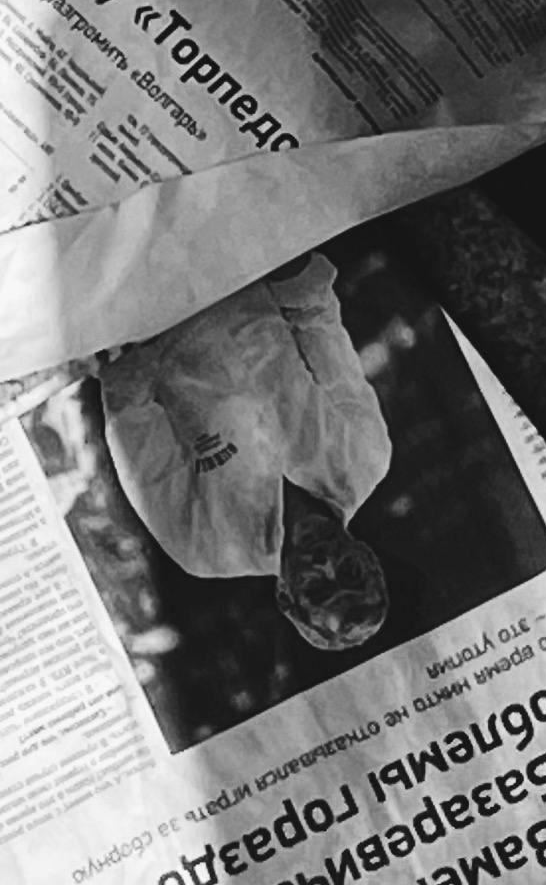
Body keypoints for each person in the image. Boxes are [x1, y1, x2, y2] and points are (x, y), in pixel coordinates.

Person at [97, 258, 392, 652]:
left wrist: (148, 313)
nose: (327, 563)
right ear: (368, 557)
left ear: (286, 598)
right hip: (236, 264)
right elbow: (317, 316)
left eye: (319, 588)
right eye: (350, 572)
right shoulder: (368, 456)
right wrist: (267, 251)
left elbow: (127, 410)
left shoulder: (206, 550)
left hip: (135, 310)